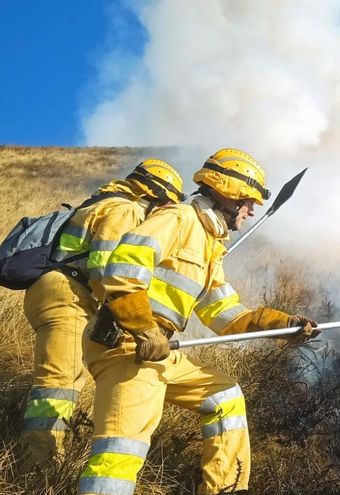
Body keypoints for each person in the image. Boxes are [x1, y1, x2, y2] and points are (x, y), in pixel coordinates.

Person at [78, 148, 318, 495]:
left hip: (160, 352)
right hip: (129, 347)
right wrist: (143, 328)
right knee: (120, 454)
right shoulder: (179, 218)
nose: (252, 211)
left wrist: (282, 325)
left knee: (225, 397)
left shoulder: (210, 245)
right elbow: (123, 268)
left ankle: (224, 488)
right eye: (249, 202)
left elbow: (224, 314)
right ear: (227, 192)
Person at [20, 159, 185, 470]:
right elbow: (105, 267)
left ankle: (43, 459)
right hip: (68, 294)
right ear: (158, 195)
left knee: (67, 378)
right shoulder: (127, 210)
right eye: (166, 205)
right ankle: (36, 469)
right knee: (58, 383)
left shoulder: (104, 201)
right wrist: (131, 309)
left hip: (58, 292)